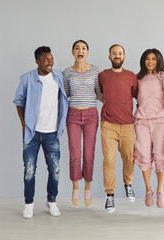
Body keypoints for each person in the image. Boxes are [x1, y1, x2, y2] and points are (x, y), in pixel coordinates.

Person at [13, 46, 68, 219]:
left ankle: (51, 201)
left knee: (55, 170)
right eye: (46, 59)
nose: (50, 62)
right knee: (29, 170)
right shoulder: (27, 78)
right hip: (32, 133)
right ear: (37, 61)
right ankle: (28, 204)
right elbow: (19, 101)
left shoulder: (59, 76)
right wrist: (24, 123)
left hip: (52, 133)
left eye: (51, 58)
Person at [63, 40, 103, 208]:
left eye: (84, 48)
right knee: (74, 154)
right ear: (72, 52)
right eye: (77, 48)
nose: (80, 50)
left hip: (91, 115)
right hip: (72, 115)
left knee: (88, 154)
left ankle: (87, 187)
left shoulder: (95, 71)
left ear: (87, 52)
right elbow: (65, 96)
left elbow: (100, 94)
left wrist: (116, 104)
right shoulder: (66, 73)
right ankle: (75, 187)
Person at [99, 44, 138, 213]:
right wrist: (107, 103)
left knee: (129, 158)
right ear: (109, 56)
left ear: (124, 56)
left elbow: (138, 96)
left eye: (120, 53)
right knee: (109, 160)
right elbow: (99, 93)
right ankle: (110, 195)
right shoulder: (103, 75)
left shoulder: (131, 76)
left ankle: (128, 183)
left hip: (128, 124)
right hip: (108, 124)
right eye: (114, 53)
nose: (117, 55)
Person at [134, 49, 164, 208]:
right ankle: (148, 190)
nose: (150, 61)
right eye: (147, 59)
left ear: (158, 61)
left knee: (160, 154)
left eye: (154, 59)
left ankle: (160, 190)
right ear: (143, 60)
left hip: (160, 119)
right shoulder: (137, 79)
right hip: (141, 119)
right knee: (142, 154)